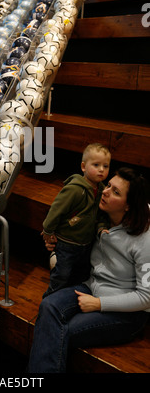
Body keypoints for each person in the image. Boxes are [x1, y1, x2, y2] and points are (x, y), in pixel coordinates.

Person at [28, 167, 150, 373]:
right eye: (108, 185)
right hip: (91, 287)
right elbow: (70, 234)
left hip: (127, 313)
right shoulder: (97, 215)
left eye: (115, 192)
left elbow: (147, 297)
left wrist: (99, 304)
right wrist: (54, 241)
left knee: (55, 331)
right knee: (48, 306)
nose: (105, 191)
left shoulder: (144, 238)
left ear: (128, 206)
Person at [42, 143, 111, 296]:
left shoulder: (101, 190)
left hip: (85, 244)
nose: (101, 169)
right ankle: (49, 300)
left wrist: (101, 228)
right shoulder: (74, 188)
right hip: (67, 244)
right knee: (61, 276)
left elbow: (100, 216)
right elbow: (56, 210)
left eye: (105, 166)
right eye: (96, 165)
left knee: (80, 276)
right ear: (83, 167)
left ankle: (68, 301)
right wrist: (48, 230)